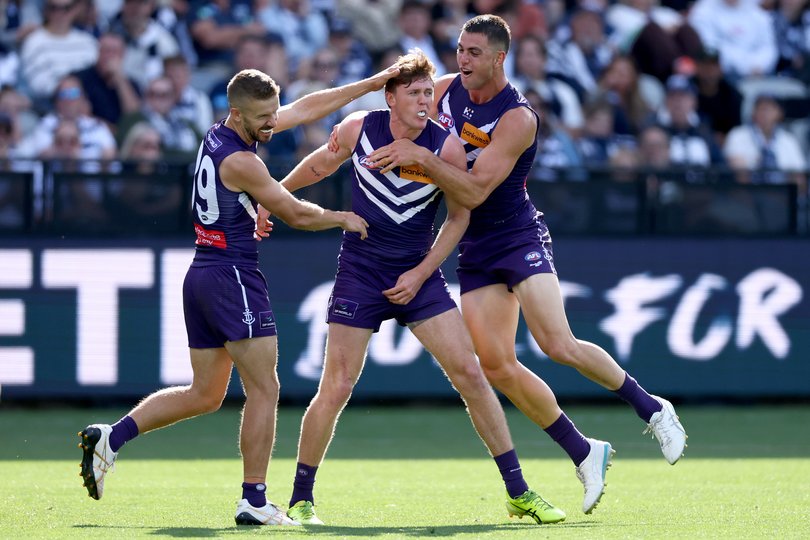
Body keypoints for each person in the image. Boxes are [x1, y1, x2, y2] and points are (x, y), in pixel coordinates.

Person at [367, 14, 688, 513]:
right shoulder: (447, 91)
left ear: (499, 57)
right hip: (473, 245)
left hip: (517, 236)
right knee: (497, 365)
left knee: (556, 343)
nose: (462, 59)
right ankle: (584, 451)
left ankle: (652, 408)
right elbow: (404, 116)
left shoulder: (518, 117)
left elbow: (473, 189)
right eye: (459, 49)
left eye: (473, 52)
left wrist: (420, 158)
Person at [77, 64, 400, 527]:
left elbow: (304, 109)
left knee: (205, 394)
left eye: (274, 112)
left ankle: (111, 437)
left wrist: (369, 86)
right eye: (265, 117)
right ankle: (254, 499)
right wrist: (342, 217)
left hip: (204, 273)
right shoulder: (244, 161)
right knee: (265, 388)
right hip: (232, 276)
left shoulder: (222, 133)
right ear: (237, 113)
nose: (273, 122)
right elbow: (293, 213)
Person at [275, 49, 566, 526]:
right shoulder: (358, 128)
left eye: (430, 92)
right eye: (413, 93)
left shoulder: (445, 146)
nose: (425, 100)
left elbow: (458, 217)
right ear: (390, 97)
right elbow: (319, 166)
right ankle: (301, 500)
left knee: (471, 375)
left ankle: (519, 491)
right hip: (361, 272)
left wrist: (421, 271)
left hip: (419, 275)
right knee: (337, 385)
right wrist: (275, 199)